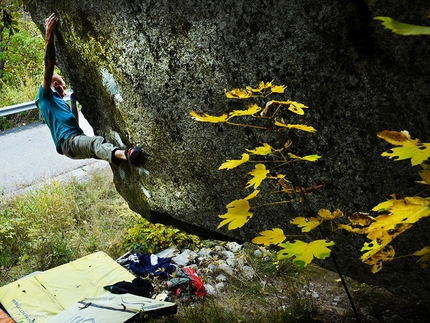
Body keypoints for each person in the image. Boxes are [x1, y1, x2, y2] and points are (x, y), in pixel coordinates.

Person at [35, 13, 142, 166]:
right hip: (69, 142)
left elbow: (74, 124)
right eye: (63, 88)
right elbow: (49, 64)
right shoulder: (44, 97)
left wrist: (72, 102)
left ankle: (121, 159)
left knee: (96, 149)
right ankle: (127, 154)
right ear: (56, 85)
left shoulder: (57, 103)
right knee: (94, 144)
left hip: (74, 139)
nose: (64, 93)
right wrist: (49, 34)